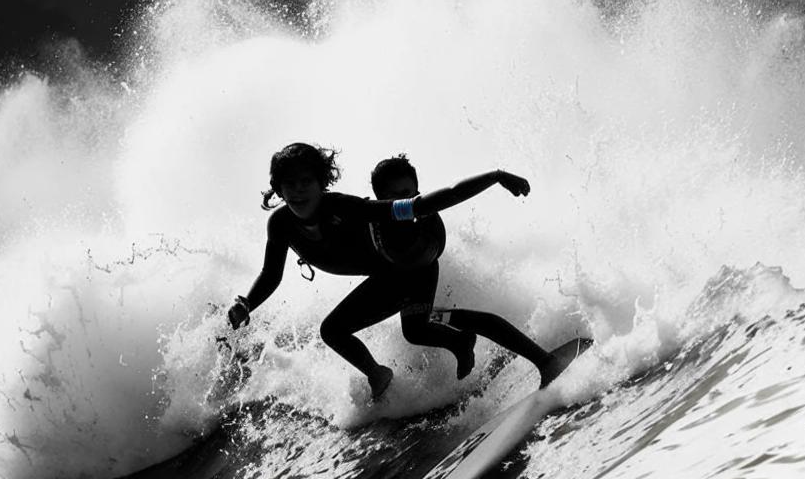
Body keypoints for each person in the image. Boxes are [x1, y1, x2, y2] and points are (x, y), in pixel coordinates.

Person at [228, 142, 564, 398]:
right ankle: (387, 371)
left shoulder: (346, 208)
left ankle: (542, 360)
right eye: (290, 184)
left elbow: (430, 202)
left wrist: (495, 177)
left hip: (414, 258)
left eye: (306, 182)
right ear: (278, 187)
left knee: (416, 326)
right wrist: (246, 304)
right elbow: (271, 275)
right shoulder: (281, 224)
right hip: (388, 278)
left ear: (322, 183)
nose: (298, 190)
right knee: (383, 328)